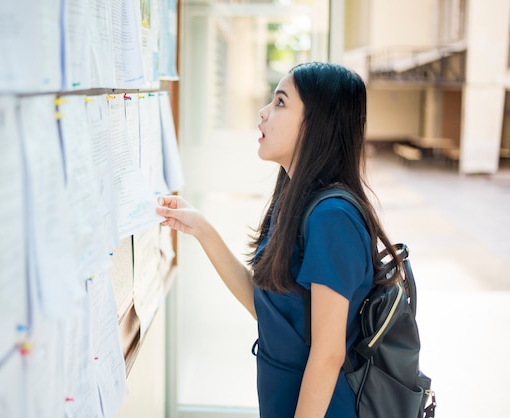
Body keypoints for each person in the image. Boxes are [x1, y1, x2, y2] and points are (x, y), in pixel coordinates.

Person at [155, 62, 402, 418]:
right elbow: (267, 310)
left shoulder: (332, 218)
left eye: (281, 103)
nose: (263, 112)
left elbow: (328, 353)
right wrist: (202, 229)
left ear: (317, 124)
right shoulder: (295, 201)